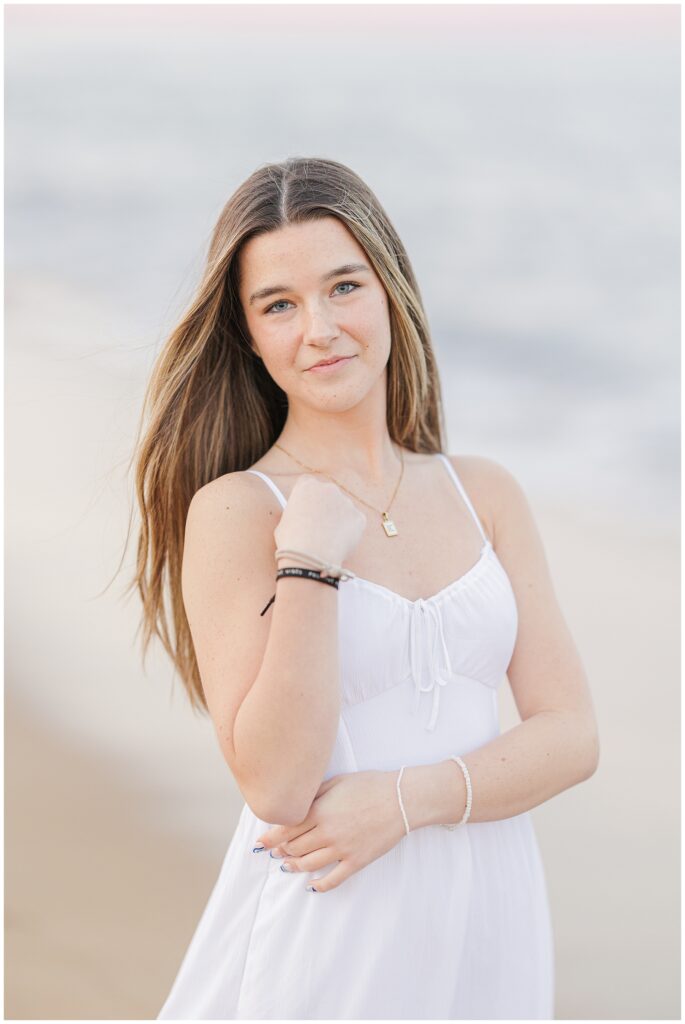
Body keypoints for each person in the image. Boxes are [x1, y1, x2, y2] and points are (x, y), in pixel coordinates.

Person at [130, 156, 600, 1019]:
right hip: (328, 933)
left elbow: (571, 735)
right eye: (279, 305)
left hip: (488, 923)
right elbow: (274, 783)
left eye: (343, 286)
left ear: (389, 291)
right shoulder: (237, 511)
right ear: (250, 335)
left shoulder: (482, 492)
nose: (319, 328)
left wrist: (403, 800)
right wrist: (308, 563)